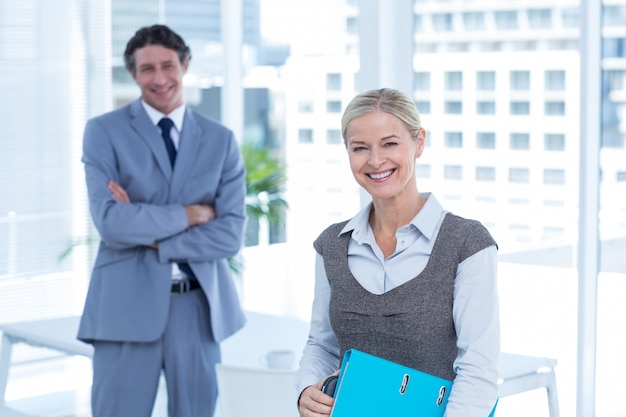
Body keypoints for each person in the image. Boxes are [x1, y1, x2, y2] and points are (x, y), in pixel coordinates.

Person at [295, 88, 499, 417]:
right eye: (360, 148)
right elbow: (321, 344)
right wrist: (307, 389)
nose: (375, 161)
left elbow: (479, 369)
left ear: (419, 143)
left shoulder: (467, 243)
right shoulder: (331, 245)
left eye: (390, 144)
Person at [77, 24, 247, 417]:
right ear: (133, 74)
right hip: (124, 304)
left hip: (197, 308)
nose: (159, 78)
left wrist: (149, 231)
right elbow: (111, 223)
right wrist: (191, 215)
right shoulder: (103, 132)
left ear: (185, 65)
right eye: (147, 69)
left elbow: (229, 236)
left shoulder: (220, 140)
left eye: (168, 65)